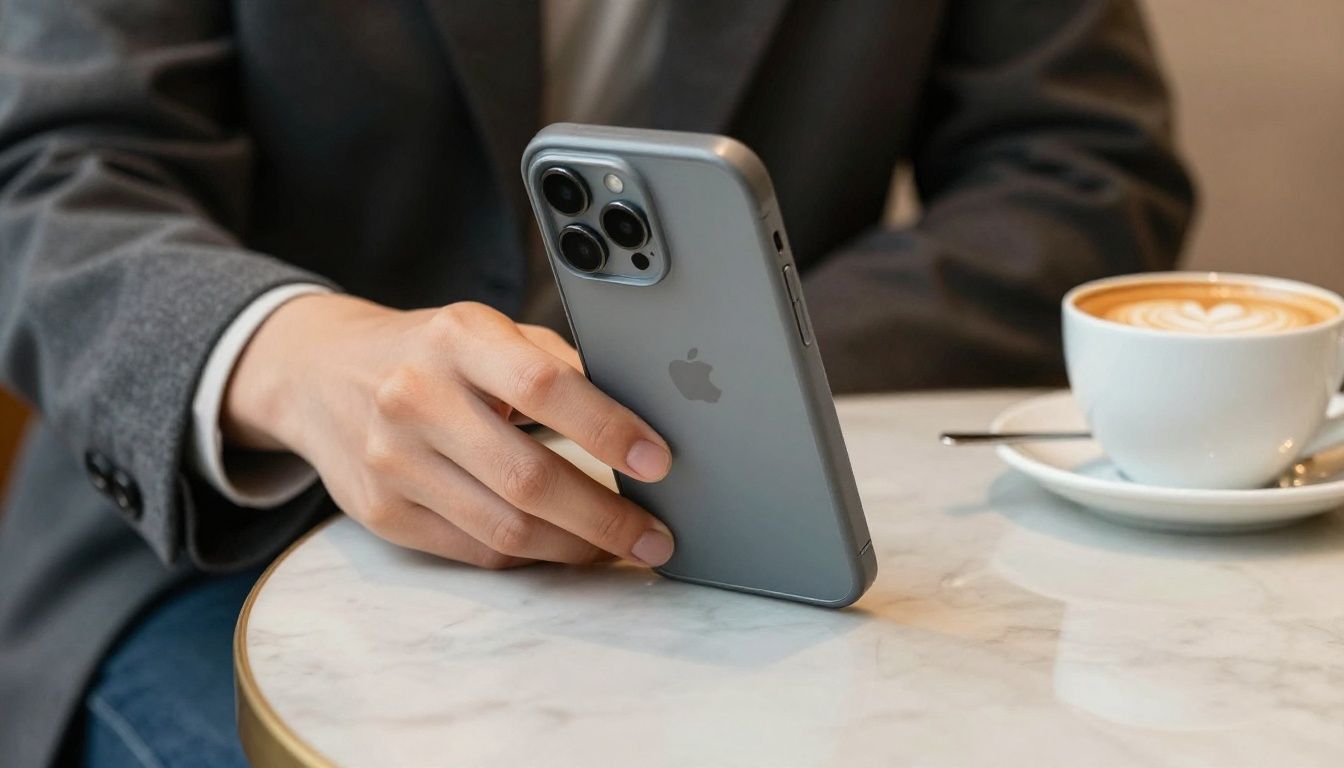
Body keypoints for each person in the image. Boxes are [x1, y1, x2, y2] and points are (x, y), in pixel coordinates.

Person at [0, 1, 1194, 765]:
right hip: (223, 555)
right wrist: (301, 360)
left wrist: (733, 372)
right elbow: (51, 174)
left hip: (766, 546)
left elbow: (1078, 172)